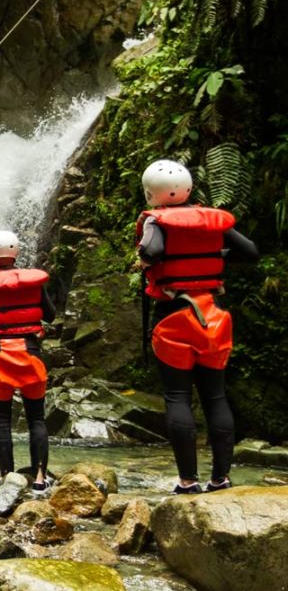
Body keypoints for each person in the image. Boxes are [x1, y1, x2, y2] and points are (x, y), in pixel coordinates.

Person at [136, 160, 258, 494]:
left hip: (175, 318)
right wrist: (216, 254)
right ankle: (220, 478)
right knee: (215, 396)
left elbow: (152, 251)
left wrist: (146, 260)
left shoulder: (155, 220)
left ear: (151, 193)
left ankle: (188, 480)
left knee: (178, 397)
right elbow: (249, 251)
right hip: (214, 317)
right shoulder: (211, 220)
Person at [0, 230, 56, 493]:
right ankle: (40, 478)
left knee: (2, 420)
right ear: (16, 252)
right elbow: (49, 315)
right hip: (29, 353)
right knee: (37, 419)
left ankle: (7, 477)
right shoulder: (33, 283)